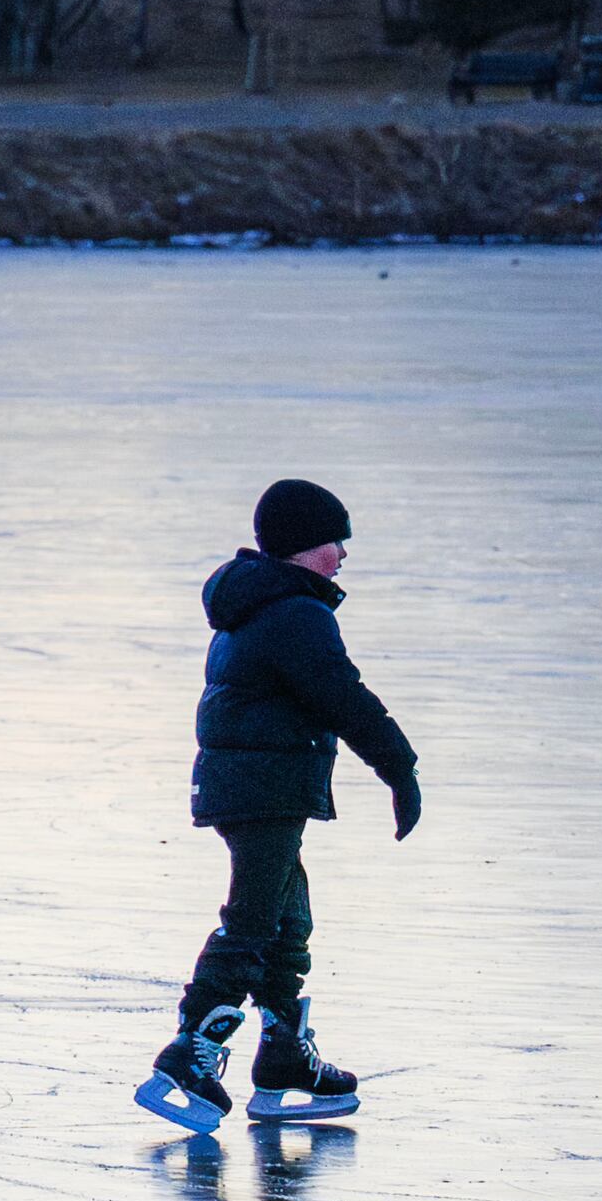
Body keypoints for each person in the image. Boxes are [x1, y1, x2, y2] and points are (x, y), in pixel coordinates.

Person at [152, 479, 417, 1135]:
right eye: (337, 540)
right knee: (252, 921)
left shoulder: (260, 605)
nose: (344, 554)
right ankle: (191, 1051)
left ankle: (281, 1058)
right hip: (263, 789)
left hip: (250, 785)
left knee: (286, 919)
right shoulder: (295, 614)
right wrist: (399, 766)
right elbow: (343, 697)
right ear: (306, 545)